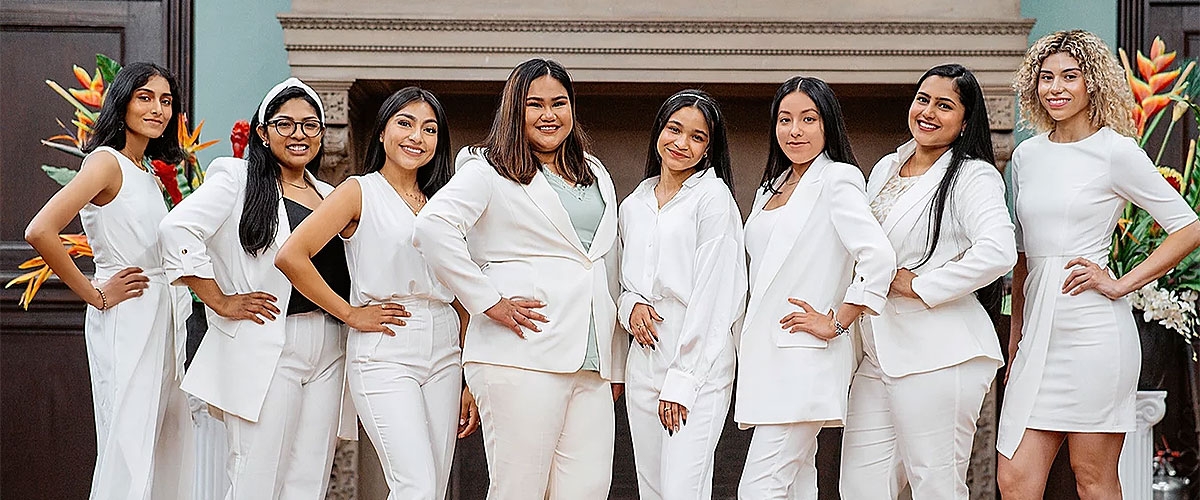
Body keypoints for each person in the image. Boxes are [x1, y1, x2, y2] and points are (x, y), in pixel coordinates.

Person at [998, 30, 1200, 500]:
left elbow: (1188, 227)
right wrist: (1016, 340)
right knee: (1015, 479)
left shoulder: (1115, 151)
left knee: (1093, 479)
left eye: (1070, 76)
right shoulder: (1027, 156)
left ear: (1092, 83)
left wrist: (1120, 284)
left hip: (1092, 336)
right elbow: (1025, 259)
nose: (1056, 88)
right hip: (1034, 340)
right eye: (1046, 78)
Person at [412, 58, 627, 499]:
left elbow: (605, 263)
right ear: (515, 109)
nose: (549, 115)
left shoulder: (596, 171)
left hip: (591, 362)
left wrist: (614, 359)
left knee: (587, 489)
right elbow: (432, 228)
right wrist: (487, 300)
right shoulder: (488, 168)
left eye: (559, 103)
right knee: (519, 490)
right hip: (520, 353)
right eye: (535, 104)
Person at [275, 86, 478, 500]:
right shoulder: (358, 190)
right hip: (385, 348)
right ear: (383, 133)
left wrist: (470, 375)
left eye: (429, 129)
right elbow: (292, 256)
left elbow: (463, 289)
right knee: (415, 486)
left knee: (433, 487)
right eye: (404, 123)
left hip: (445, 348)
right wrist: (350, 313)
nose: (416, 137)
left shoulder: (446, 200)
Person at [160, 77, 354, 499]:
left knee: (309, 481)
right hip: (268, 343)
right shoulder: (236, 178)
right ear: (263, 133)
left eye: (310, 125)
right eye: (285, 124)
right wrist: (219, 300)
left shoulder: (331, 195)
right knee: (256, 477)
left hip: (329, 347)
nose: (298, 134)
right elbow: (176, 229)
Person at [839, 63, 1017, 499]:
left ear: (964, 121)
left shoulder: (973, 175)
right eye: (923, 99)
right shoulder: (885, 167)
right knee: (860, 486)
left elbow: (998, 251)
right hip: (878, 352)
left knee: (935, 486)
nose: (929, 112)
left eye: (945, 105)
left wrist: (920, 285)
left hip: (940, 353)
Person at [25, 61, 194, 500]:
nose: (158, 109)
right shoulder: (105, 164)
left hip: (162, 316)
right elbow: (40, 229)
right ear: (122, 102)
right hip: (128, 317)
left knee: (162, 444)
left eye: (166, 100)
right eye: (146, 97)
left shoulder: (148, 170)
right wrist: (96, 295)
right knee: (128, 445)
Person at [735, 76, 896, 499]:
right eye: (785, 120)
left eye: (808, 119)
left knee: (759, 487)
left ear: (827, 125)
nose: (795, 131)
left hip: (806, 359)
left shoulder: (838, 178)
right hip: (767, 360)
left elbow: (877, 256)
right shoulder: (770, 187)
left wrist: (838, 322)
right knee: (796, 485)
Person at [618, 89, 746, 500]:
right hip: (644, 356)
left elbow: (716, 295)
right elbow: (620, 282)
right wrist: (630, 305)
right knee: (652, 489)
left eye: (697, 137)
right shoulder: (633, 203)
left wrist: (683, 381)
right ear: (659, 130)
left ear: (710, 148)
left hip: (696, 360)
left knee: (682, 491)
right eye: (675, 129)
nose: (682, 143)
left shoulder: (713, 199)